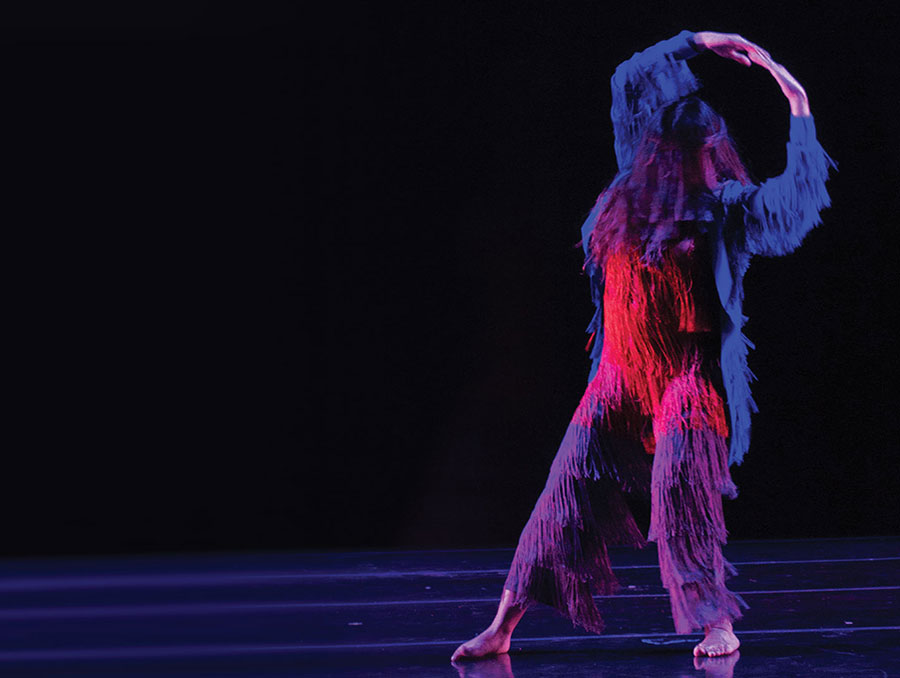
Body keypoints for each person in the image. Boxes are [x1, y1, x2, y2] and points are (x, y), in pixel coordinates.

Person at [451, 29, 836, 661]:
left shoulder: (724, 208)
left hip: (689, 377)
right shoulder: (629, 189)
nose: (697, 161)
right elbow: (628, 79)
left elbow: (795, 203)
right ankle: (502, 627)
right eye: (685, 148)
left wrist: (798, 107)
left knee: (682, 493)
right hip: (619, 376)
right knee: (561, 496)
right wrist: (697, 41)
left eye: (705, 151)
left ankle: (717, 622)